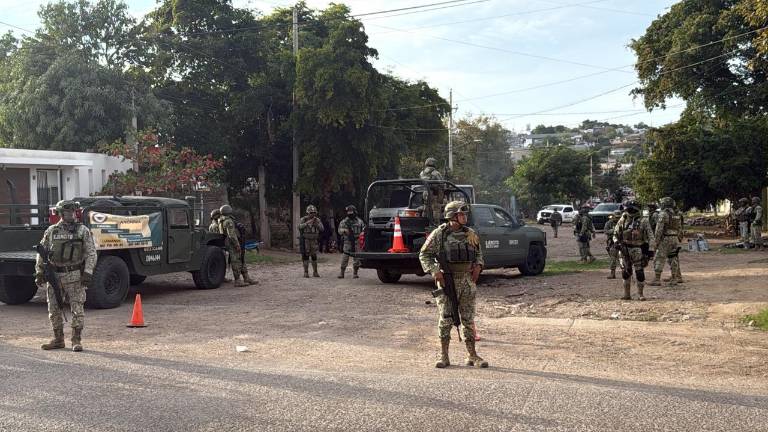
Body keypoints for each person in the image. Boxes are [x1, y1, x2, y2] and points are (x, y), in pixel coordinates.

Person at [419, 201, 487, 369]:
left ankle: (472, 355)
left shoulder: (470, 234)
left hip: (466, 281)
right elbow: (424, 254)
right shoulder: (439, 234)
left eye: (465, 214)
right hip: (447, 281)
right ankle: (444, 356)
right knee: (446, 319)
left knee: (468, 319)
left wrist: (478, 266)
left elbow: (478, 253)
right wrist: (435, 270)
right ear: (452, 217)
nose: (465, 217)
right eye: (461, 214)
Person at [35, 200, 97, 352]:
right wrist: (39, 271)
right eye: (67, 212)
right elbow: (41, 252)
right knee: (54, 309)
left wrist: (88, 272)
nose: (71, 214)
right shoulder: (51, 231)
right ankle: (58, 339)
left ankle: (76, 339)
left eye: (73, 212)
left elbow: (91, 253)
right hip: (54, 276)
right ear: (61, 213)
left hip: (74, 275)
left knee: (77, 307)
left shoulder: (82, 230)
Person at [613, 200, 655, 301]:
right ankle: (627, 294)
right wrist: (616, 242)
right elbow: (616, 232)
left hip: (638, 248)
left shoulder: (643, 221)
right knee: (626, 271)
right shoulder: (623, 219)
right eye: (629, 209)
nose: (630, 211)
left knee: (639, 272)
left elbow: (651, 236)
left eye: (632, 209)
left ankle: (640, 294)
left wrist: (651, 250)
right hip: (624, 248)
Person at [220, 205, 256, 287]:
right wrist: (237, 245)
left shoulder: (222, 220)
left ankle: (246, 277)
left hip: (229, 242)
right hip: (232, 243)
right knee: (236, 261)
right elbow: (231, 235)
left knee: (241, 258)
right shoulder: (228, 221)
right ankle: (238, 280)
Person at [650, 197, 682, 286]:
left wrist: (656, 241)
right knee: (673, 258)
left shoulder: (663, 214)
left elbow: (659, 229)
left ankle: (657, 279)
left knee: (659, 258)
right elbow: (679, 228)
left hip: (665, 238)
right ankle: (674, 278)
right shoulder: (677, 214)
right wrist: (679, 238)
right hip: (675, 238)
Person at [338, 205, 365, 279]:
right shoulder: (344, 221)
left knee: (357, 258)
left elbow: (364, 229)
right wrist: (344, 231)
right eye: (349, 213)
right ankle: (342, 273)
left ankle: (355, 273)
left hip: (357, 241)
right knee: (345, 257)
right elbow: (339, 230)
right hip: (348, 241)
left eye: (352, 213)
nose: (350, 215)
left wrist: (362, 234)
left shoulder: (359, 221)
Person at [299, 205, 324, 278]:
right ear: (307, 213)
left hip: (314, 240)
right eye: (311, 213)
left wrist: (316, 225)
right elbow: (299, 227)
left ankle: (315, 272)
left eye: (314, 212)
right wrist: (307, 223)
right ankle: (306, 272)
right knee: (305, 255)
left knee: (314, 255)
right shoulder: (304, 219)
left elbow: (322, 229)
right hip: (306, 239)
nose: (312, 214)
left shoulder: (317, 220)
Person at [604, 210, 621, 279]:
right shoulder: (609, 223)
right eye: (616, 217)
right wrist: (614, 230)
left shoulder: (623, 223)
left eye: (618, 217)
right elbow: (606, 231)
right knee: (613, 258)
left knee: (624, 259)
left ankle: (626, 272)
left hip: (622, 242)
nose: (617, 219)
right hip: (613, 243)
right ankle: (612, 273)